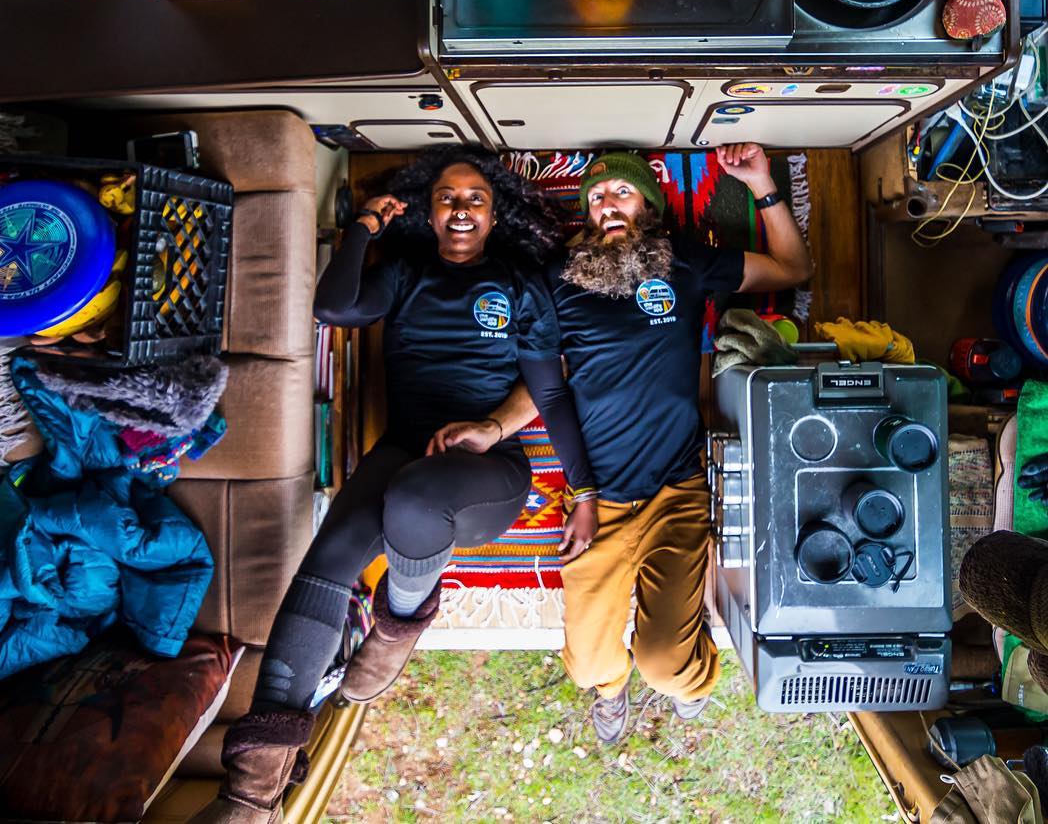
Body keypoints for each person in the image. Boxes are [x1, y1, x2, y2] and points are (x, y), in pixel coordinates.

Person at [193, 146, 586, 824]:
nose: (461, 209)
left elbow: (549, 384)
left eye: (475, 200)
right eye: (447, 198)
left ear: (494, 216)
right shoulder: (404, 272)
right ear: (430, 212)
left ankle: (396, 625)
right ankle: (250, 795)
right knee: (327, 559)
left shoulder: (520, 282)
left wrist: (502, 436)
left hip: (486, 471)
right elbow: (336, 308)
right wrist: (365, 228)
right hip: (405, 445)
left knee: (413, 499)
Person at [532, 143, 814, 744]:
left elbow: (793, 269)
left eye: (622, 193)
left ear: (651, 206)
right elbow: (542, 389)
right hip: (598, 501)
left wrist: (762, 184)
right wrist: (491, 430)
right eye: (597, 196)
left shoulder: (683, 259)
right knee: (588, 667)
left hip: (676, 491)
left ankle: (688, 678)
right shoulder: (557, 279)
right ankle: (613, 692)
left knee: (669, 667)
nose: (608, 204)